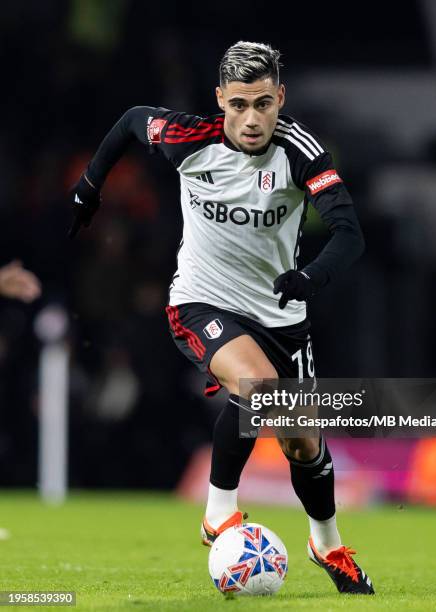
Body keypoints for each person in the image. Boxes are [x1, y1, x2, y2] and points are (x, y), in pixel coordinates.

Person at [69, 41, 374, 595]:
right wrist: (89, 188)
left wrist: (310, 279)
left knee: (302, 443)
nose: (251, 119)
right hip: (201, 301)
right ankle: (218, 513)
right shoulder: (190, 139)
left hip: (283, 317)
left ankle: (326, 543)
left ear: (280, 98)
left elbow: (350, 235)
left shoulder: (301, 152)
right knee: (260, 389)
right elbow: (132, 122)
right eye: (238, 105)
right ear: (220, 100)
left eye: (262, 103)